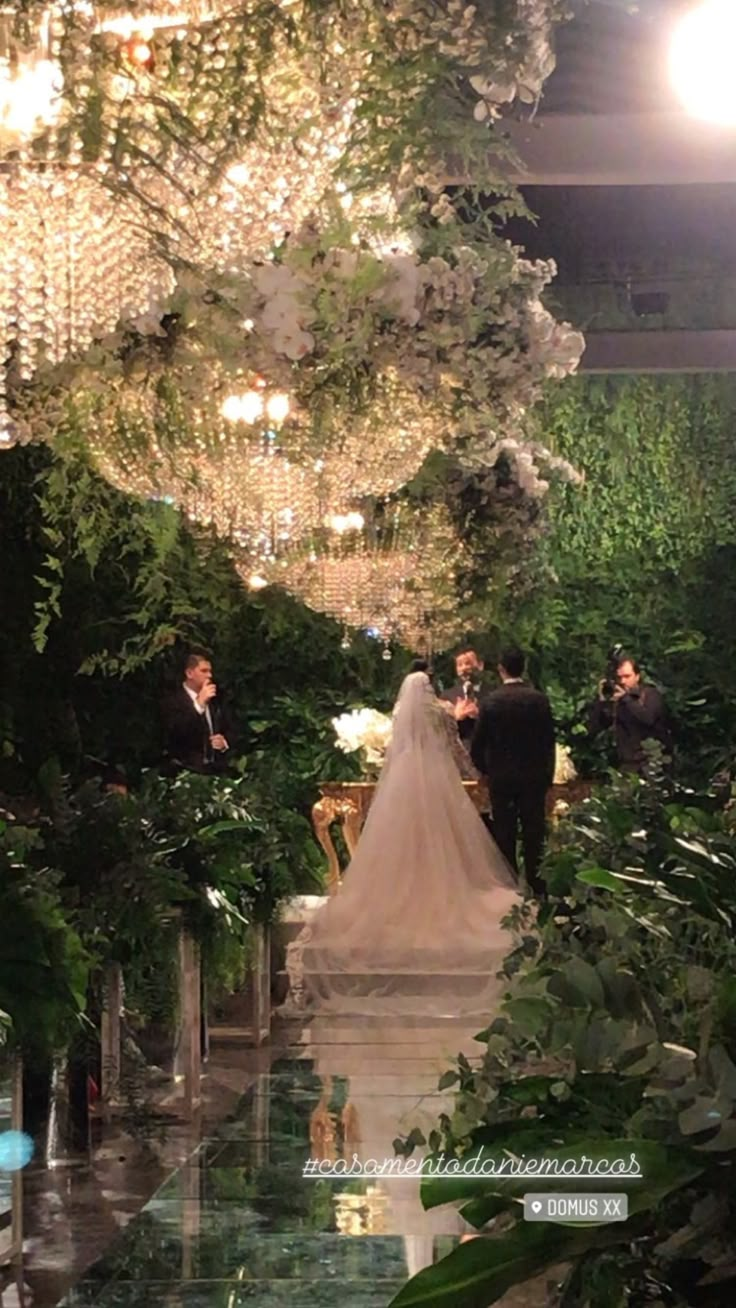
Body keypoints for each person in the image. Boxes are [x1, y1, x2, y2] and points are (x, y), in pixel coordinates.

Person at [287, 670, 519, 1018]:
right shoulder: (441, 711)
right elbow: (456, 751)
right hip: (438, 784)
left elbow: (394, 752)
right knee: (443, 846)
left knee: (401, 848)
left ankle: (405, 900)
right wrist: (474, 775)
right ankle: (440, 900)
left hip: (404, 785)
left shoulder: (401, 714)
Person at [471, 647, 555, 898]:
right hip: (533, 777)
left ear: (501, 669)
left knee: (505, 831)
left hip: (502, 778)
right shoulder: (539, 700)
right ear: (524, 667)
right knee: (534, 831)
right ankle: (537, 885)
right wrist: (547, 776)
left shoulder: (491, 702)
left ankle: (508, 886)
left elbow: (478, 745)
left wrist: (487, 770)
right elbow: (548, 741)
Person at [588, 654, 671, 774]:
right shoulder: (616, 700)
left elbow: (648, 718)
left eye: (627, 676)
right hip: (627, 763)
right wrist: (601, 702)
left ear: (637, 676)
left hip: (652, 761)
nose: (623, 681)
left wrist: (626, 699)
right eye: (619, 677)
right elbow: (595, 728)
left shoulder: (650, 694)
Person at [161, 649, 234, 774]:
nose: (209, 676)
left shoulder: (217, 699)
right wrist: (198, 705)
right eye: (204, 671)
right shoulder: (172, 701)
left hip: (216, 769)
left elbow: (233, 727)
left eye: (210, 671)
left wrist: (225, 742)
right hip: (184, 770)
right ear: (189, 673)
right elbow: (175, 733)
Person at [440, 647, 489, 746]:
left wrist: (480, 715)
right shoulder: (447, 696)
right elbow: (440, 730)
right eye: (459, 665)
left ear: (480, 665)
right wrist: (456, 717)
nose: (464, 668)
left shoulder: (492, 693)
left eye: (468, 663)